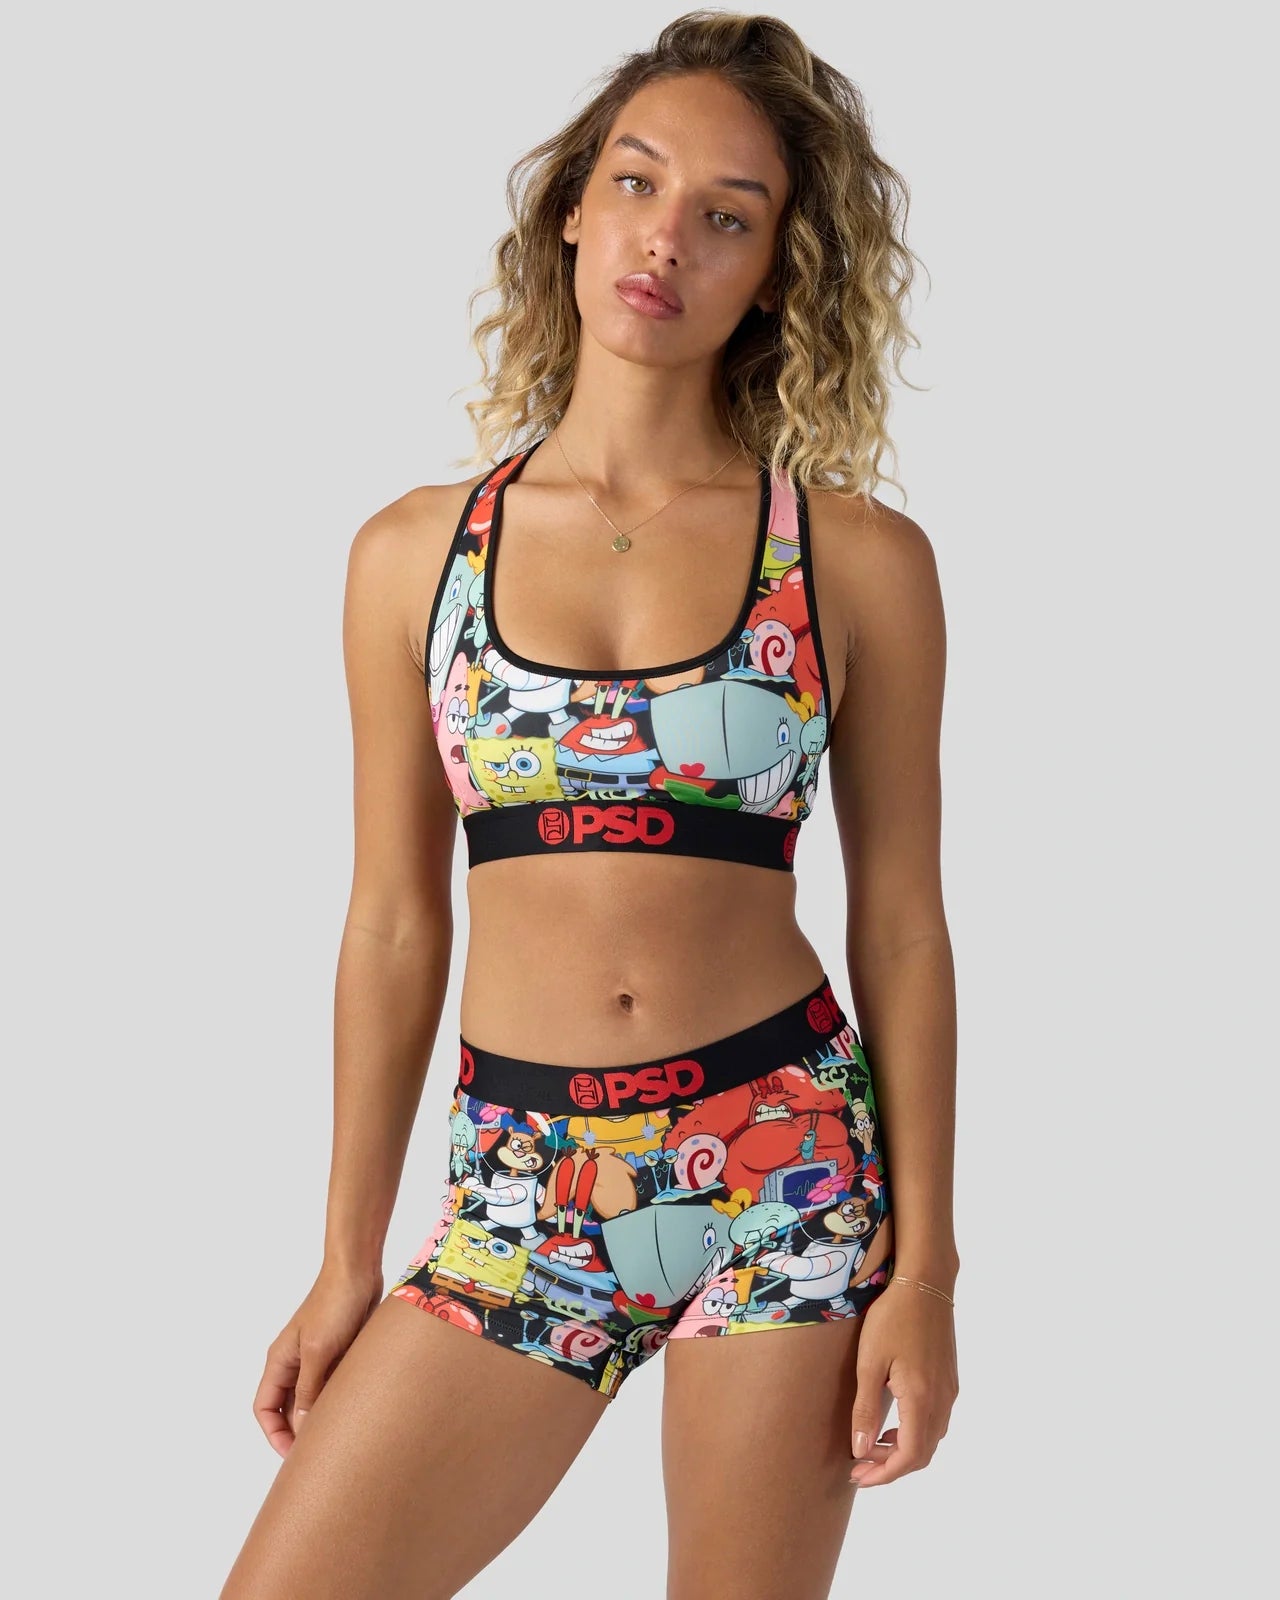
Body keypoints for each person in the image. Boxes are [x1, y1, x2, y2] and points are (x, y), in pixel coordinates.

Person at [219, 12, 959, 1599]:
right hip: (521, 1185)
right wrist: (347, 1259)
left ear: (777, 274)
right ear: (570, 207)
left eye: (728, 215)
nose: (666, 237)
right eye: (636, 182)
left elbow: (903, 924)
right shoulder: (414, 554)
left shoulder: (854, 559)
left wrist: (930, 1272)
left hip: (782, 1166)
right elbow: (394, 921)